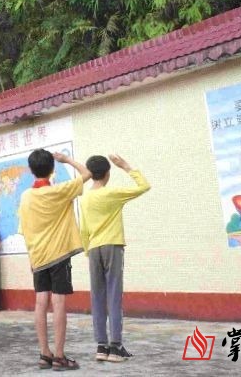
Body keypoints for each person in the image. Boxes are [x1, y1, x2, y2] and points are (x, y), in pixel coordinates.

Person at [18, 149, 91, 371]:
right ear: (52, 169)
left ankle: (44, 353)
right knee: (58, 303)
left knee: (40, 303)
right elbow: (87, 173)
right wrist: (67, 159)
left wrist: (31, 257)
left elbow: (26, 230)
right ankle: (59, 356)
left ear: (31, 170)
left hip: (38, 257)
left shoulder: (25, 196)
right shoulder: (60, 191)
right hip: (58, 255)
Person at [79, 153, 149, 362]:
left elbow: (83, 228)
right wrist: (126, 166)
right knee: (114, 295)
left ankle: (101, 346)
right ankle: (116, 346)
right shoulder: (112, 193)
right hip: (112, 245)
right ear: (107, 173)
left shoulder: (85, 198)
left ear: (90, 174)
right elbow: (144, 186)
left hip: (93, 248)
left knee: (97, 296)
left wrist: (87, 250)